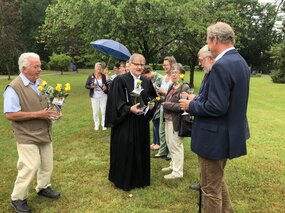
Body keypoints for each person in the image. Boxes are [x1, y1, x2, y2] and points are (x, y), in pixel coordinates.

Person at [179, 22, 250, 212]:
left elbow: (217, 107)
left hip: (214, 137)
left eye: (208, 41)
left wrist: (191, 105)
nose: (208, 46)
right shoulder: (240, 62)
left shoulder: (221, 65)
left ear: (215, 39)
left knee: (210, 189)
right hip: (226, 134)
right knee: (216, 182)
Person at [3, 52, 61, 213]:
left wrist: (56, 111)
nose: (40, 69)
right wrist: (38, 114)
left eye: (40, 66)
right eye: (36, 66)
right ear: (24, 68)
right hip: (26, 134)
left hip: (44, 132)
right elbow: (10, 114)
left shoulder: (42, 82)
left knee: (46, 163)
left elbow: (54, 102)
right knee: (30, 166)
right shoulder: (13, 88)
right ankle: (18, 198)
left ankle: (43, 187)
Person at [105, 53, 157, 191]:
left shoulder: (146, 81)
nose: (139, 67)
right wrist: (129, 109)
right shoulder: (120, 80)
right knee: (125, 150)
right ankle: (123, 179)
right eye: (136, 64)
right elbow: (116, 101)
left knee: (140, 149)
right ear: (130, 65)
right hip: (125, 124)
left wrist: (152, 105)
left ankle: (140, 179)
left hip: (141, 123)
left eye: (142, 64)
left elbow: (152, 97)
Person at [188, 45, 216, 190]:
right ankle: (203, 184)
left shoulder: (216, 74)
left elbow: (215, 106)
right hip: (206, 130)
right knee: (213, 178)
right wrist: (196, 97)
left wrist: (190, 106)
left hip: (211, 131)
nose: (199, 64)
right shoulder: (209, 73)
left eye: (200, 60)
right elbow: (205, 95)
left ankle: (205, 188)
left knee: (213, 183)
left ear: (209, 58)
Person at [161, 63, 190, 179]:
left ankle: (178, 172)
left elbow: (183, 106)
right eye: (172, 72)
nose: (173, 74)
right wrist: (160, 99)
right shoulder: (172, 86)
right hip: (168, 119)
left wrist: (166, 104)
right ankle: (173, 165)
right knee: (170, 143)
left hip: (176, 121)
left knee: (176, 145)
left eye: (176, 72)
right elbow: (168, 100)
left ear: (181, 74)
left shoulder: (184, 87)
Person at [153, 56, 176, 158]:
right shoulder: (163, 78)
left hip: (171, 109)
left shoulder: (175, 78)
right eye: (163, 65)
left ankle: (171, 153)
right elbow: (163, 94)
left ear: (171, 65)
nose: (164, 67)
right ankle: (162, 151)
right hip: (162, 107)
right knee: (162, 130)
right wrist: (158, 92)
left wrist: (163, 91)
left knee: (171, 132)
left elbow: (175, 94)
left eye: (166, 65)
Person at [142, 65, 162, 151]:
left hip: (159, 103)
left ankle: (158, 143)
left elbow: (158, 91)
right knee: (154, 122)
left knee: (157, 122)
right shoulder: (152, 78)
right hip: (153, 103)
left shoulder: (159, 78)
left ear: (149, 72)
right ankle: (155, 142)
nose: (146, 78)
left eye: (146, 76)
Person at [85, 62, 108, 131]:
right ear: (95, 68)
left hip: (103, 95)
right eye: (98, 67)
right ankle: (96, 125)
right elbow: (86, 85)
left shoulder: (104, 76)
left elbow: (107, 84)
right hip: (94, 96)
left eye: (100, 67)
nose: (99, 68)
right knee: (95, 111)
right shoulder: (91, 76)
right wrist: (91, 86)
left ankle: (104, 124)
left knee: (104, 111)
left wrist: (106, 87)